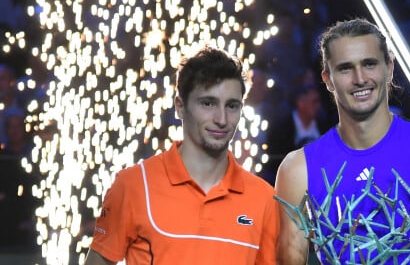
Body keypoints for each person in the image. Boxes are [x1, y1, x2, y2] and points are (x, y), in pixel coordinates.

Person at [275, 18, 410, 264]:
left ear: (390, 68)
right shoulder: (298, 169)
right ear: (328, 79)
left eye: (369, 64)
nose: (360, 78)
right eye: (345, 68)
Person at [85, 47, 279, 264]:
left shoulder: (264, 199)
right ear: (180, 106)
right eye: (208, 103)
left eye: (232, 106)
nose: (222, 119)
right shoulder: (133, 185)